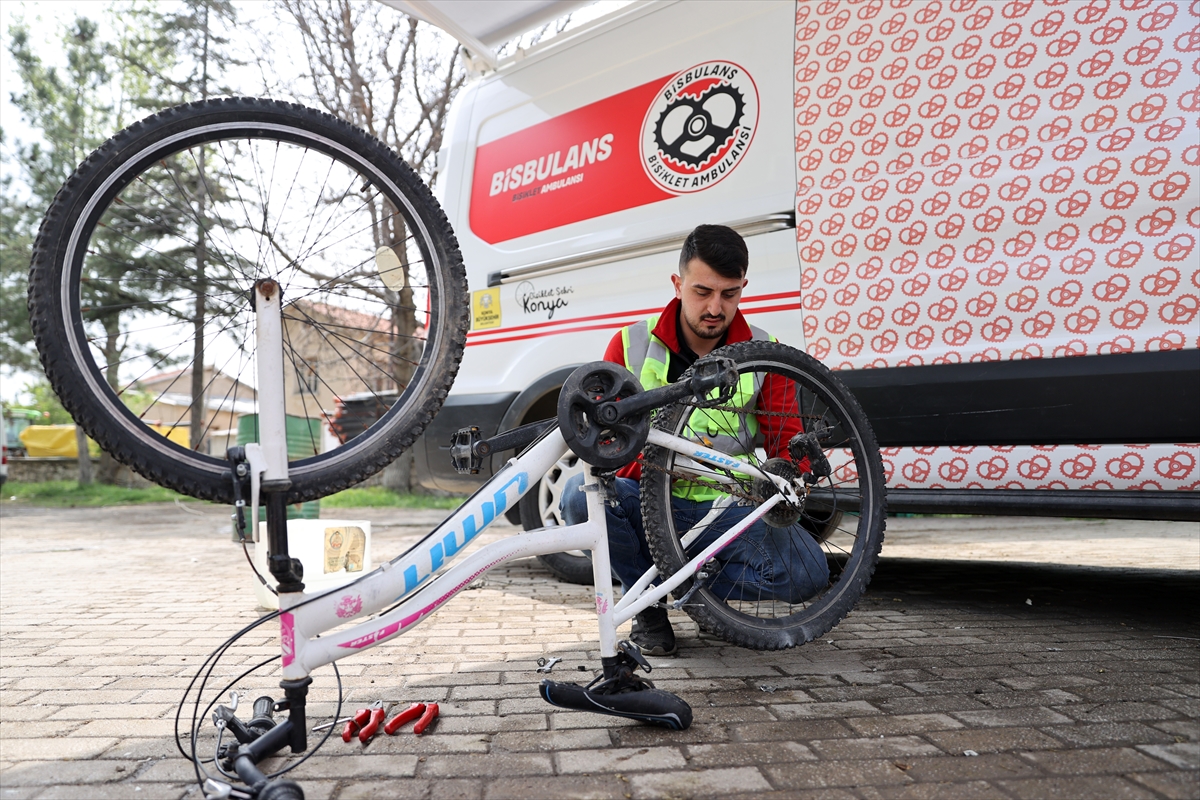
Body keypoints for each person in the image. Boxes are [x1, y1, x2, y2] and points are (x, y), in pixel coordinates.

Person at [561, 224, 830, 656]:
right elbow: (608, 449)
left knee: (808, 573)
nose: (714, 307)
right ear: (678, 283)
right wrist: (661, 468)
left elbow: (788, 443)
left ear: (743, 288)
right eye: (702, 291)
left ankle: (700, 595)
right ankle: (648, 608)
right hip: (649, 499)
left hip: (729, 508)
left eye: (729, 294)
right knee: (579, 495)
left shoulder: (765, 349)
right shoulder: (629, 344)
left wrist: (792, 479)